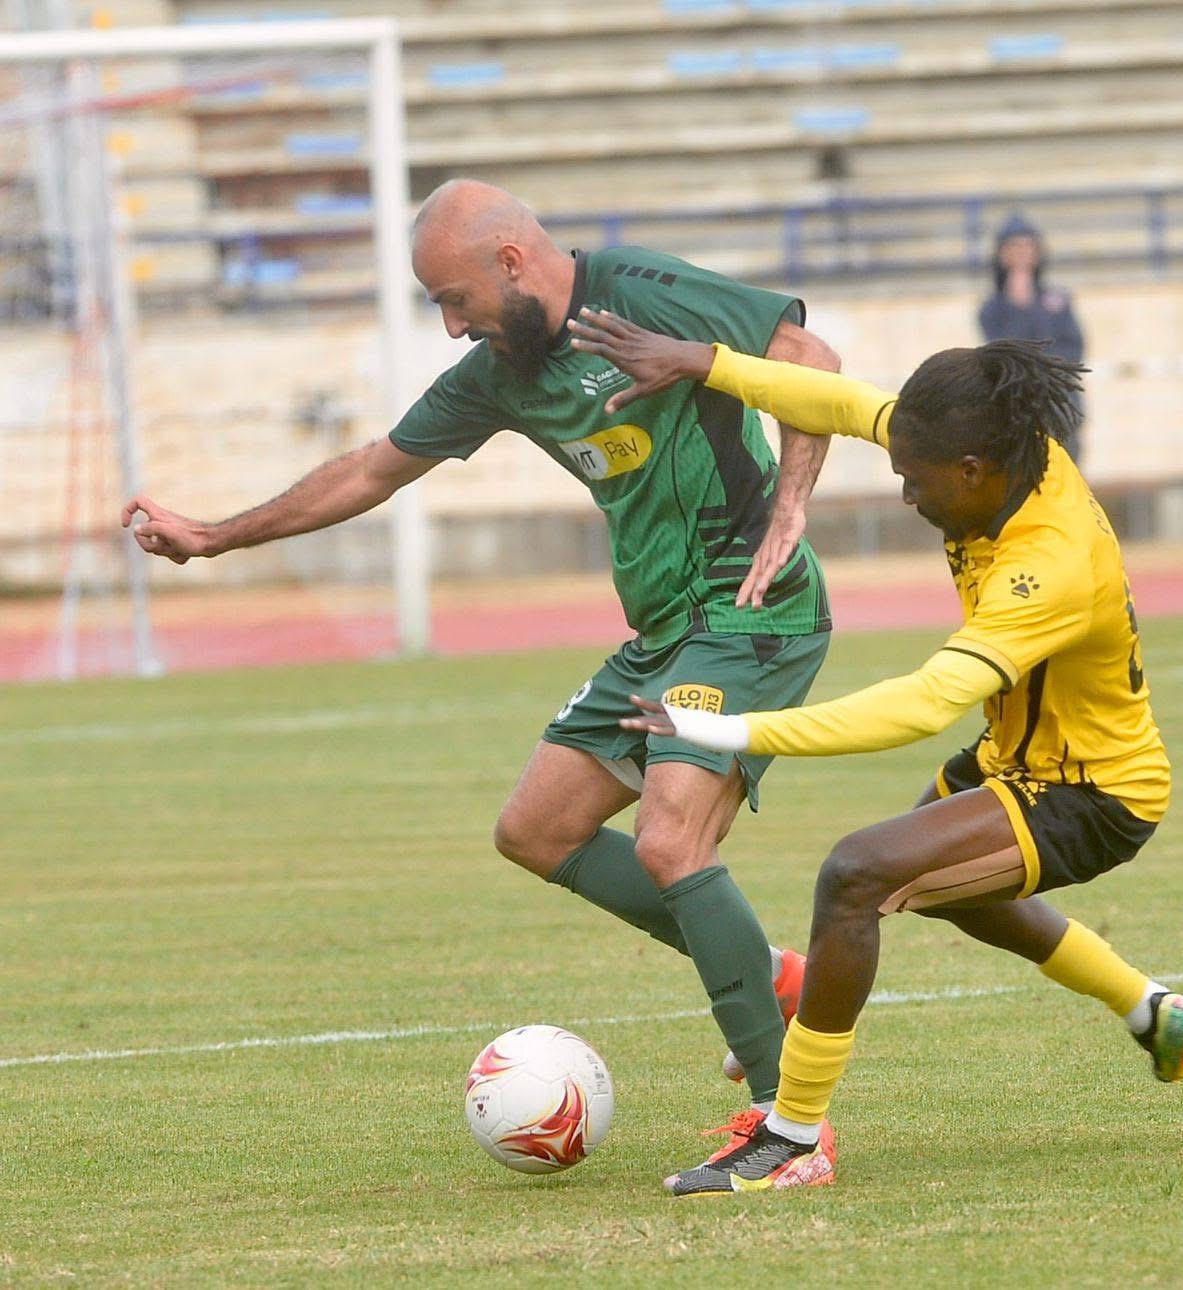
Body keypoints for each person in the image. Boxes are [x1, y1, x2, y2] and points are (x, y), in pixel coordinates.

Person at [119, 180, 841, 1146]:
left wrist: (792, 503)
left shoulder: (640, 293)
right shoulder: (506, 369)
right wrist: (212, 536)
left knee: (673, 843)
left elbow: (807, 356)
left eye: (454, 299)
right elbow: (373, 467)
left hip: (753, 610)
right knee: (537, 829)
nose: (453, 326)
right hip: (666, 629)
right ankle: (774, 979)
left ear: (511, 262)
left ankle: (783, 1123)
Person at [568, 307, 1183, 1196]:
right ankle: (1154, 1012)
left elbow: (922, 703)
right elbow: (834, 400)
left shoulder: (1053, 561)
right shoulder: (990, 449)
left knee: (859, 874)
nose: (907, 496)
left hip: (1094, 794)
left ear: (970, 469)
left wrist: (724, 729)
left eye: (916, 482)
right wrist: (702, 360)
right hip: (1015, 757)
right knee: (945, 890)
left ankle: (792, 1138)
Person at [978, 213, 1087, 461]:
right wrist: (1019, 304)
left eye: (1027, 246)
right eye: (1014, 247)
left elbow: (1073, 352)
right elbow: (1004, 354)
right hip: (1015, 413)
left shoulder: (1058, 301)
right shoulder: (991, 310)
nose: (1022, 254)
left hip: (1060, 409)